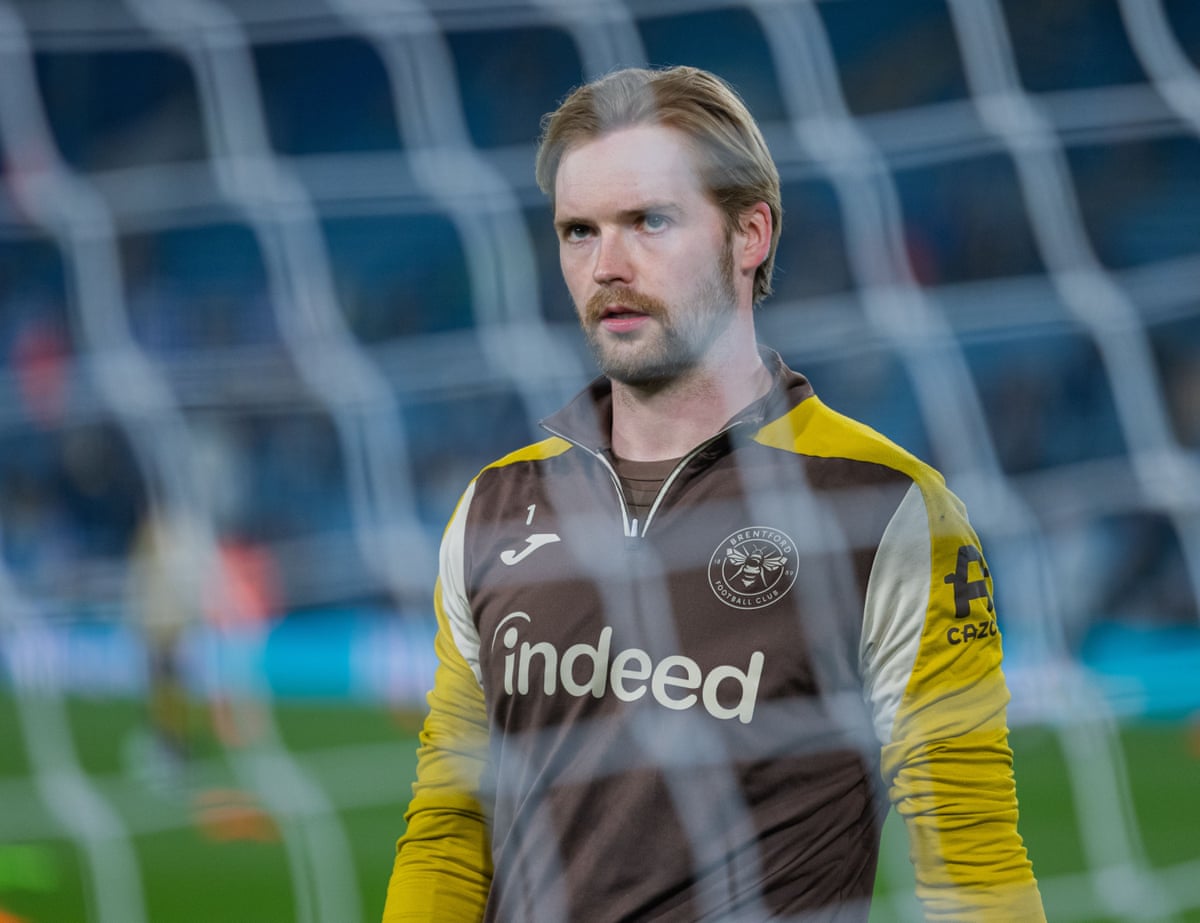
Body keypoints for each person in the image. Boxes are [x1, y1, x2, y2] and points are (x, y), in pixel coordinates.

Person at [383, 65, 1045, 922]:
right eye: (578, 231)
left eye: (649, 221)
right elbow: (449, 823)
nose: (607, 265)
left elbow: (972, 857)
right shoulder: (498, 503)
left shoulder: (885, 508)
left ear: (750, 234)